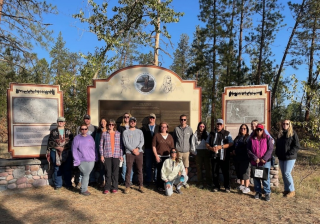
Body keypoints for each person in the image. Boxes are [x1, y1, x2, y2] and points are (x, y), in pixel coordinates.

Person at [206, 119, 233, 193]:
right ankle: (216, 186)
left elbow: (231, 143)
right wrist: (211, 148)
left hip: (224, 156)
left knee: (225, 172)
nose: (219, 125)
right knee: (215, 172)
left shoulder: (227, 133)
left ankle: (227, 187)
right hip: (214, 155)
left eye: (220, 124)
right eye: (218, 124)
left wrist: (221, 147)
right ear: (215, 124)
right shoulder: (211, 133)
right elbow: (207, 143)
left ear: (223, 125)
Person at [247, 124, 273, 201]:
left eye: (260, 130)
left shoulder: (267, 138)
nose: (259, 131)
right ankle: (258, 192)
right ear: (255, 130)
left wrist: (265, 158)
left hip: (265, 162)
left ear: (263, 130)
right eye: (257, 130)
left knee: (265, 177)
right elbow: (248, 150)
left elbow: (270, 149)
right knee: (256, 177)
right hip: (255, 162)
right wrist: (254, 158)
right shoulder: (251, 139)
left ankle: (267, 192)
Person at [47, 116, 74, 190]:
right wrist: (58, 147)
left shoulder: (69, 131)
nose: (60, 123)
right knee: (57, 168)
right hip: (55, 152)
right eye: (59, 121)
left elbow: (72, 141)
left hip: (67, 151)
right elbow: (50, 142)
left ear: (64, 123)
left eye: (62, 121)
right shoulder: (53, 131)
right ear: (57, 122)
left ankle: (68, 184)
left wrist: (64, 148)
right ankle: (58, 185)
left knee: (67, 168)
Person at [276, 119, 300, 198]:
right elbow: (278, 145)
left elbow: (297, 146)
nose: (285, 125)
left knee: (287, 173)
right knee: (283, 174)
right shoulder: (280, 134)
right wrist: (277, 152)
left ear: (289, 125)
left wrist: (290, 152)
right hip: (282, 157)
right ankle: (286, 190)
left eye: (287, 124)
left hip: (290, 157)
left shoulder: (293, 133)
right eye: (283, 124)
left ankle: (292, 190)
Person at [72, 123, 97, 196]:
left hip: (91, 160)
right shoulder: (77, 138)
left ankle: (84, 188)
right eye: (82, 129)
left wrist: (95, 157)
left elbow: (94, 148)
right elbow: (74, 150)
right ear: (80, 130)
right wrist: (76, 160)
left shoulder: (90, 138)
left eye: (85, 129)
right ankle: (83, 190)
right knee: (85, 174)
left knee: (87, 174)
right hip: (82, 160)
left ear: (87, 130)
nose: (83, 130)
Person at [100, 119, 123, 194]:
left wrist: (121, 155)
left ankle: (115, 187)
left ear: (114, 125)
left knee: (115, 173)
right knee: (108, 172)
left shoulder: (118, 134)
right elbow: (101, 145)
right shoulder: (104, 134)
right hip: (107, 155)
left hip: (116, 155)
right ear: (108, 125)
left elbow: (121, 146)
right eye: (109, 124)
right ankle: (107, 187)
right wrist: (101, 155)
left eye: (112, 124)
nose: (111, 126)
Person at [122, 117, 145, 194]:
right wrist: (133, 150)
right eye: (131, 121)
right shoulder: (125, 132)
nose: (132, 122)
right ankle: (127, 186)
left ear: (135, 123)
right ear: (129, 122)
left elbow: (142, 141)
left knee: (140, 169)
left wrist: (137, 148)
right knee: (128, 170)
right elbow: (126, 143)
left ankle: (141, 185)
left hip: (139, 152)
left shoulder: (140, 132)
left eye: (134, 121)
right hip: (129, 153)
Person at [75, 114, 98, 188]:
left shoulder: (94, 128)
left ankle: (92, 180)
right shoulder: (79, 127)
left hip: (90, 151)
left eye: (88, 119)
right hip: (81, 152)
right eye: (85, 119)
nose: (87, 120)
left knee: (91, 167)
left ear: (90, 119)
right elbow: (77, 138)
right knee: (82, 168)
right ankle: (80, 182)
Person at [152, 122, 174, 191]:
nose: (163, 128)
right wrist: (156, 155)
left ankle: (167, 185)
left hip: (168, 156)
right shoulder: (157, 135)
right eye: (162, 127)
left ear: (167, 128)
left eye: (165, 127)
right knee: (160, 171)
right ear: (160, 127)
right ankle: (159, 186)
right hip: (159, 156)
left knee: (167, 171)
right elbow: (153, 146)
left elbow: (172, 148)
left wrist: (172, 157)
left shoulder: (170, 136)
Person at [173, 114, 194, 188]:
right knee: (178, 167)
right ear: (180, 120)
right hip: (178, 151)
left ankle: (184, 182)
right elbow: (174, 140)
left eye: (184, 119)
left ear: (186, 120)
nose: (183, 121)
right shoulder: (176, 129)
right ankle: (179, 182)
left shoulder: (190, 129)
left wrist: (191, 150)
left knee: (185, 167)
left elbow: (192, 140)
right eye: (181, 119)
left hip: (186, 151)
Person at [192, 122, 212, 189]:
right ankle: (200, 182)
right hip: (198, 152)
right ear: (198, 126)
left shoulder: (207, 134)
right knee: (199, 168)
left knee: (207, 168)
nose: (202, 128)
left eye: (203, 126)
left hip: (206, 152)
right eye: (201, 126)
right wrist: (195, 153)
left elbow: (210, 142)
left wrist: (209, 150)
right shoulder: (195, 135)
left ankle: (209, 182)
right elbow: (192, 145)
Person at [232, 124, 251, 194]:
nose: (243, 130)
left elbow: (246, 148)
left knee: (245, 173)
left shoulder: (248, 138)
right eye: (241, 128)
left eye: (244, 128)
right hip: (237, 158)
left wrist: (236, 151)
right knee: (240, 172)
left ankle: (247, 187)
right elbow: (234, 144)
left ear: (247, 130)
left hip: (245, 158)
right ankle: (242, 185)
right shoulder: (238, 137)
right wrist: (233, 150)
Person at [141, 113, 159, 186]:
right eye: (150, 118)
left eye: (153, 118)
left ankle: (155, 180)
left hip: (157, 149)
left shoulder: (158, 127)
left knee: (156, 165)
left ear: (155, 119)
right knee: (148, 165)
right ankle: (148, 180)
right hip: (148, 149)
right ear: (149, 119)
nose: (152, 119)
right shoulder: (144, 128)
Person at [118, 112, 133, 185]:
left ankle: (130, 180)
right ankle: (124, 180)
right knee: (124, 166)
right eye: (125, 117)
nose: (126, 118)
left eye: (128, 117)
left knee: (130, 165)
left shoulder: (133, 127)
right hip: (124, 149)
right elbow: (119, 140)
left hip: (131, 150)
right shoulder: (120, 127)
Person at [95, 118, 108, 188]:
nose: (103, 123)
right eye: (101, 122)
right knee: (101, 168)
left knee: (108, 168)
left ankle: (108, 181)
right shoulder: (98, 132)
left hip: (108, 153)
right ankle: (102, 181)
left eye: (104, 121)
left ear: (106, 123)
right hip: (100, 152)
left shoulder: (109, 131)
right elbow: (96, 142)